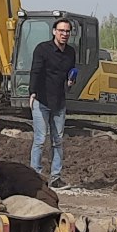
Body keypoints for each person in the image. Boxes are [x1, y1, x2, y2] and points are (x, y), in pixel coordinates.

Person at [28, 17, 80, 188]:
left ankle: (55, 177)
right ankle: (35, 175)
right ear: (54, 32)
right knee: (40, 139)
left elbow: (68, 75)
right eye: (61, 31)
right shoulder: (42, 49)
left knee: (57, 140)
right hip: (41, 100)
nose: (64, 34)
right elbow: (35, 71)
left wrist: (70, 82)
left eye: (67, 31)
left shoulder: (71, 52)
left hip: (59, 102)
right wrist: (32, 93)